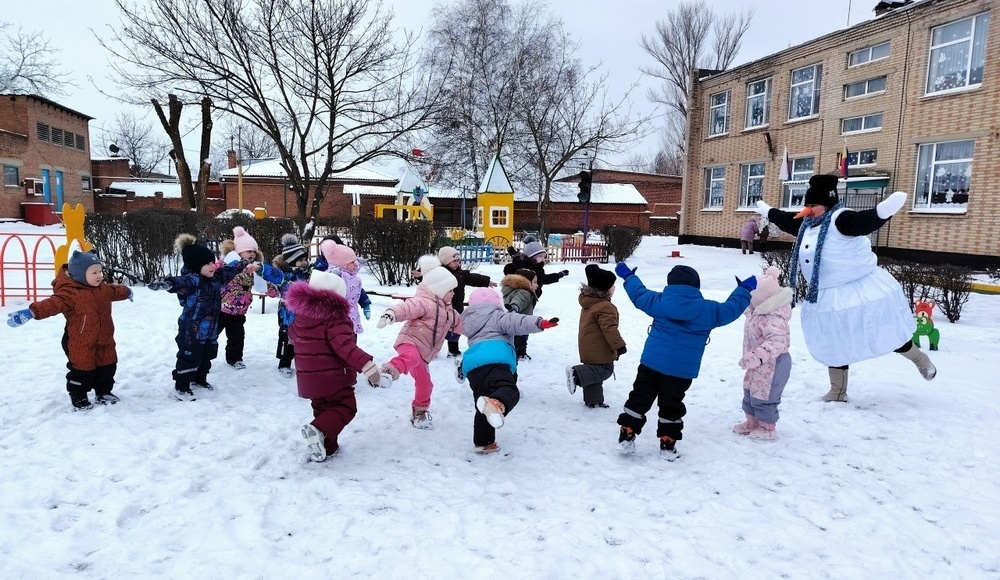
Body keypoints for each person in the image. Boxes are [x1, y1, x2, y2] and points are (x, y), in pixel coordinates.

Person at [755, 174, 936, 402]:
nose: (809, 210)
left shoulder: (840, 219)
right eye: (807, 205)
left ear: (828, 203)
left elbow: (862, 222)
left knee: (884, 333)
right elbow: (785, 219)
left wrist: (882, 212)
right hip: (827, 296)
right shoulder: (807, 224)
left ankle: (921, 360)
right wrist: (768, 211)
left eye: (814, 205)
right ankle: (837, 391)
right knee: (833, 341)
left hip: (859, 291)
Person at [613, 262, 754, 459]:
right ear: (696, 286)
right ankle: (667, 442)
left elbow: (638, 294)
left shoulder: (658, 301)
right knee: (672, 404)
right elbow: (731, 309)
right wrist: (744, 289)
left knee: (640, 397)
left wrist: (629, 276)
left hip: (651, 364)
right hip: (681, 371)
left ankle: (627, 432)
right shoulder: (709, 310)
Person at [7, 250, 132, 410]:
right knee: (82, 369)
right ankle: (79, 397)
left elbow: (115, 291)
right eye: (94, 272)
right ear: (79, 274)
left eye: (100, 271)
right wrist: (32, 312)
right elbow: (52, 304)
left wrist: (127, 291)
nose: (99, 275)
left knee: (107, 366)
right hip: (81, 341)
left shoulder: (103, 289)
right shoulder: (70, 294)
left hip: (105, 339)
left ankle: (104, 392)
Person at [284, 270, 384, 462]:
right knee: (346, 406)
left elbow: (292, 337)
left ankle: (328, 447)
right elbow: (345, 347)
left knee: (323, 410)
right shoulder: (335, 318)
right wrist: (367, 365)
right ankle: (318, 429)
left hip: (309, 378)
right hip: (333, 377)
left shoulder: (300, 316)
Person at [148, 234, 258, 401]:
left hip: (210, 328)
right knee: (189, 356)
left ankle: (200, 379)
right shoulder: (192, 281)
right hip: (191, 329)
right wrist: (168, 284)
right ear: (195, 266)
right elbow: (180, 282)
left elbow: (229, 270)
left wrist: (244, 263)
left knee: (207, 354)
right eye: (207, 264)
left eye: (212, 262)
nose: (212, 266)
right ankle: (181, 387)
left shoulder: (215, 278)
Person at [459, 287, 559, 454]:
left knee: (483, 404)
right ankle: (497, 404)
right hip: (495, 360)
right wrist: (540, 323)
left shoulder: (468, 320)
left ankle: (485, 442)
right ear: (497, 303)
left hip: (474, 368)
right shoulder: (498, 316)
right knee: (509, 390)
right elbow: (519, 322)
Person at [376, 256, 463, 429]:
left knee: (426, 384)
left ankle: (420, 411)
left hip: (424, 355)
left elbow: (462, 325)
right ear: (439, 289)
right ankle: (387, 371)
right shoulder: (424, 303)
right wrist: (391, 314)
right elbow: (407, 308)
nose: (454, 293)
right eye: (451, 290)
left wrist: (480, 332)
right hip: (409, 342)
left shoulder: (449, 312)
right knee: (411, 356)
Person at [732, 266, 792, 441]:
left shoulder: (773, 317)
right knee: (751, 391)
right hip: (757, 362)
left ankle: (767, 427)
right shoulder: (757, 313)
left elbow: (777, 342)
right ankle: (752, 422)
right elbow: (746, 309)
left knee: (765, 396)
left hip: (774, 363)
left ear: (760, 299)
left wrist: (756, 356)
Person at [217, 227, 278, 370]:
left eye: (253, 251)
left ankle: (235, 358)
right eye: (248, 251)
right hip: (222, 308)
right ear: (236, 252)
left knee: (237, 336)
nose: (251, 254)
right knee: (211, 335)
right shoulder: (226, 266)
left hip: (239, 310)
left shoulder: (255, 269)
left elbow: (264, 285)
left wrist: (275, 291)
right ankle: (203, 358)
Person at [566, 264, 626, 409]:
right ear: (605, 289)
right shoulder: (605, 306)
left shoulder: (590, 301)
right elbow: (609, 329)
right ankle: (576, 374)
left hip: (588, 347)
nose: (614, 288)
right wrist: (619, 345)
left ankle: (593, 401)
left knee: (593, 377)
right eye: (612, 285)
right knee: (604, 371)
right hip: (600, 348)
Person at [258, 233, 313, 378]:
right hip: (287, 313)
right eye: (300, 260)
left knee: (303, 338)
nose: (304, 262)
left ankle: (302, 362)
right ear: (291, 261)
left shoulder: (307, 273)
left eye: (305, 259)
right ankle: (284, 363)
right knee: (286, 338)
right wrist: (259, 267)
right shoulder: (285, 276)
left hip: (303, 313)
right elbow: (270, 272)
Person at [437, 245, 495, 357]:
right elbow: (429, 277)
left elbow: (473, 278)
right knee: (438, 330)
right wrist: (420, 276)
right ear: (445, 261)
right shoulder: (440, 274)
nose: (456, 263)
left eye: (457, 261)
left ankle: (453, 350)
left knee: (454, 329)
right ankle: (432, 350)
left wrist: (486, 281)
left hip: (457, 307)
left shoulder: (461, 274)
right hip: (442, 308)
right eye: (453, 261)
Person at [319, 239, 370, 334]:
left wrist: (365, 304)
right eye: (352, 262)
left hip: (352, 320)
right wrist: (333, 277)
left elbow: (359, 292)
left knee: (351, 344)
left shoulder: (354, 278)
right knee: (342, 346)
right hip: (337, 323)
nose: (356, 264)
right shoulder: (334, 278)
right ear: (342, 264)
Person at [500, 265, 538, 360]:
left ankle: (516, 351)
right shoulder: (525, 292)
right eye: (534, 282)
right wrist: (514, 307)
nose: (537, 285)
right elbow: (519, 300)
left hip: (511, 320)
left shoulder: (511, 289)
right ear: (526, 282)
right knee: (521, 338)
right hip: (521, 321)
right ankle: (520, 354)